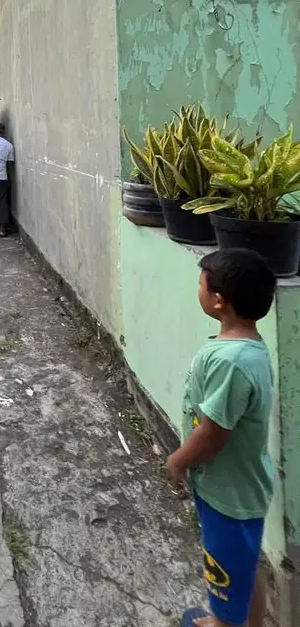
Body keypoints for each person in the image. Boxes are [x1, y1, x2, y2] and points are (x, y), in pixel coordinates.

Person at [166, 249, 276, 627]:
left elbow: (212, 436)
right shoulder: (245, 350)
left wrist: (178, 461)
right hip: (243, 487)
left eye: (200, 284)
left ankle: (224, 622)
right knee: (245, 566)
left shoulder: (231, 362)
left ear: (218, 301)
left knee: (225, 576)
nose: (197, 289)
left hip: (226, 497)